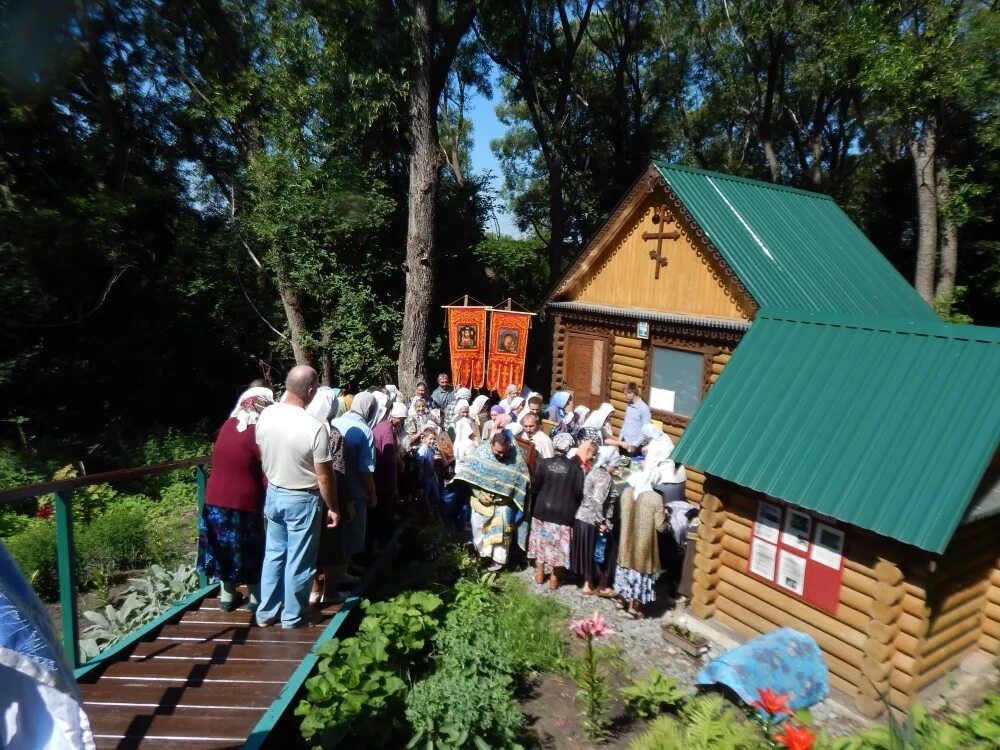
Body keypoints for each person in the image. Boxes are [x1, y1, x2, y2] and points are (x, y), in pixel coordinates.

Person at [254, 366, 339, 629]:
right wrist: (333, 507)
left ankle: (266, 613)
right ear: (311, 391)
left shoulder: (266, 414)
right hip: (303, 498)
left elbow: (260, 451)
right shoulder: (315, 427)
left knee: (274, 554)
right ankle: (293, 616)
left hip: (274, 492)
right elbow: (324, 477)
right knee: (300, 559)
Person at [198, 386, 274, 612]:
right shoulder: (258, 431)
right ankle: (255, 598)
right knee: (250, 548)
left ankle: (227, 596)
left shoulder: (228, 425)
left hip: (214, 499)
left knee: (224, 547)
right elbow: (266, 466)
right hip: (244, 500)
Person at [456, 431, 531, 572]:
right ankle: (482, 555)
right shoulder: (480, 454)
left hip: (504, 503)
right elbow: (469, 475)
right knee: (478, 527)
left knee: (503, 530)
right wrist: (478, 494)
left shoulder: (516, 458)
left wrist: (509, 497)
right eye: (498, 452)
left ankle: (498, 560)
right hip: (481, 500)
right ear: (491, 445)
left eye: (505, 452)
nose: (502, 455)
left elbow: (522, 481)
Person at [527, 432, 583, 590]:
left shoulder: (544, 463)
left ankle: (539, 575)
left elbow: (535, 485)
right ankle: (553, 579)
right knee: (559, 548)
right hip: (564, 513)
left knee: (540, 543)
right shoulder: (576, 469)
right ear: (570, 447)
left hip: (543, 509)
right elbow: (579, 492)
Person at [331, 392, 378, 575]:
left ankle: (342, 569)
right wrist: (372, 493)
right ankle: (344, 570)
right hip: (356, 489)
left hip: (335, 487)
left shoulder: (336, 422)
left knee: (338, 533)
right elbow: (366, 469)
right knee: (353, 531)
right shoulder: (365, 431)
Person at [614, 464, 668, 618]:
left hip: (626, 541)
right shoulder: (655, 498)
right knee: (638, 574)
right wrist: (666, 517)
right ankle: (633, 608)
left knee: (625, 571)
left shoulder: (628, 492)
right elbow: (661, 527)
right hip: (642, 545)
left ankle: (620, 600)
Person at [571, 446, 621, 597]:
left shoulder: (593, 472)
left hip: (582, 517)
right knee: (602, 552)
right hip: (593, 521)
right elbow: (598, 501)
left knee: (588, 552)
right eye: (616, 464)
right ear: (609, 463)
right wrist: (602, 522)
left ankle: (588, 584)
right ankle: (603, 586)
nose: (618, 467)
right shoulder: (604, 478)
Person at [370, 400, 404, 549]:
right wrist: (393, 486)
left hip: (376, 476)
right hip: (382, 480)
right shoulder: (387, 429)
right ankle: (385, 546)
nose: (401, 422)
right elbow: (389, 459)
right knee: (384, 514)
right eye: (401, 419)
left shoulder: (381, 426)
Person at [619, 382, 652, 454]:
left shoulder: (644, 408)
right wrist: (620, 439)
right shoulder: (629, 405)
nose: (624, 396)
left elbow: (646, 431)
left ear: (632, 394)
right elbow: (625, 423)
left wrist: (635, 445)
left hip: (634, 446)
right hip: (624, 442)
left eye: (626, 394)